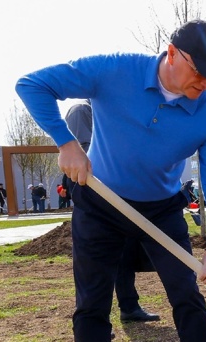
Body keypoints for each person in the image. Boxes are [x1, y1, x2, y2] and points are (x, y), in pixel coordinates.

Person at [16, 19, 206, 342]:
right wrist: (66, 143)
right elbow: (32, 83)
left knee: (188, 297)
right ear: (173, 54)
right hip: (100, 203)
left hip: (161, 211)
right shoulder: (115, 71)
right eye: (200, 72)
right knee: (91, 306)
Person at [65, 95, 160, 324]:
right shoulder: (81, 111)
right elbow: (85, 154)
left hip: (114, 186)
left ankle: (129, 306)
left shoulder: (108, 115)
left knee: (126, 250)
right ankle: (97, 321)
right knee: (98, 257)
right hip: (92, 187)